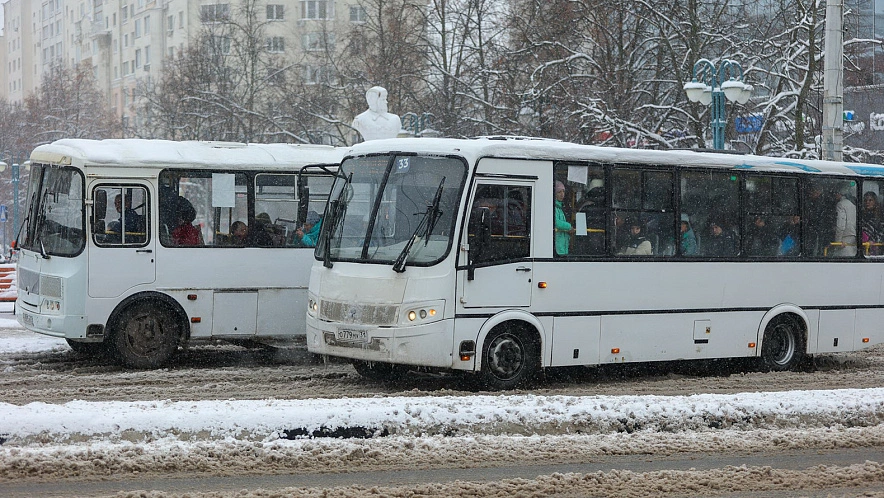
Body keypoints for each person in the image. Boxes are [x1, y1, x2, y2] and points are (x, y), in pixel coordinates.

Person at [833, 184, 857, 256]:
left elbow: (840, 225)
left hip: (844, 238)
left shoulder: (840, 204)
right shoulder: (852, 204)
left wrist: (838, 241)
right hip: (852, 236)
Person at [554, 181, 574, 256]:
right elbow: (556, 222)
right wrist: (569, 227)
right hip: (558, 247)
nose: (562, 194)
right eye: (559, 192)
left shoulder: (560, 208)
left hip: (563, 247)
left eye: (563, 191)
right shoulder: (554, 208)